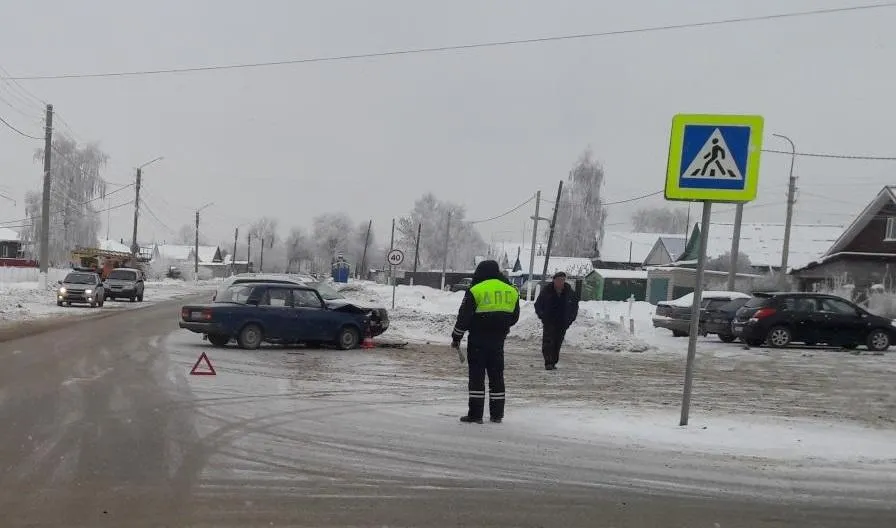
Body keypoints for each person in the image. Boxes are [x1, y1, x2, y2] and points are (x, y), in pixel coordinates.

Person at [451, 260, 520, 424]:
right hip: (498, 341)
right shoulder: (511, 290)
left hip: (478, 340)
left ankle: (476, 414)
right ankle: (497, 414)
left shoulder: (476, 290)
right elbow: (515, 316)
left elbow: (464, 317)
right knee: (497, 377)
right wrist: (501, 326)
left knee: (477, 377)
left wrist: (456, 336)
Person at [534, 271, 579, 370]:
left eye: (562, 280)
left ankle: (554, 361)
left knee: (557, 343)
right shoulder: (547, 291)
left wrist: (570, 320)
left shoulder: (569, 293)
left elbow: (574, 308)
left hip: (562, 322)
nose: (560, 282)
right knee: (548, 342)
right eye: (558, 280)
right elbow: (538, 305)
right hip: (549, 321)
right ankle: (548, 362)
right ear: (554, 280)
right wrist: (542, 316)